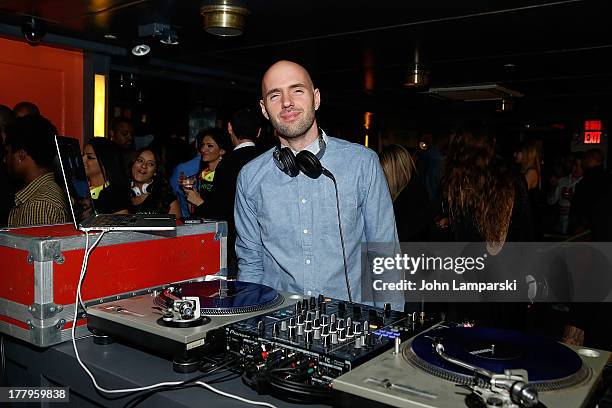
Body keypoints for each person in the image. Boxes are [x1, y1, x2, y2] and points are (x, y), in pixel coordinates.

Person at [234, 60, 400, 307]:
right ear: (264, 109)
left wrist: (390, 329)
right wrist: (250, 322)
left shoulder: (362, 164)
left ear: (316, 98)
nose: (287, 102)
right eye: (274, 95)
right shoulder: (250, 177)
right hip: (277, 325)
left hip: (351, 328)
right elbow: (250, 262)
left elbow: (384, 254)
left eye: (297, 90)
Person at [196, 108, 262, 277]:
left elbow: (219, 210)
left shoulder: (226, 164)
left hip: (234, 244)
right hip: (265, 241)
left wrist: (199, 203)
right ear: (259, 132)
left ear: (230, 128)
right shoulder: (266, 160)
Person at [3, 115, 69, 227]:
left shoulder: (38, 205)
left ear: (21, 155)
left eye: (8, 152)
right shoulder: (46, 193)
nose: (5, 159)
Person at [379, 144, 432, 241]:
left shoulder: (409, 198)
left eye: (384, 172)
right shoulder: (413, 190)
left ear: (394, 171)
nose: (382, 178)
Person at [182, 128, 230, 214]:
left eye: (210, 146)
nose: (203, 149)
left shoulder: (226, 175)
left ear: (222, 151)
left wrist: (198, 201)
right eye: (203, 145)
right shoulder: (204, 173)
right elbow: (197, 209)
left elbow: (222, 211)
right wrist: (190, 192)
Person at [128, 147, 180, 217]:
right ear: (132, 164)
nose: (144, 166)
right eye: (140, 160)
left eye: (150, 164)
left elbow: (176, 226)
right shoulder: (119, 193)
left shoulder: (166, 198)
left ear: (155, 171)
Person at [82, 138, 130, 214]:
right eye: (83, 155)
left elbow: (121, 223)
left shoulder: (115, 195)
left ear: (105, 162)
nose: (83, 160)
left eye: (90, 157)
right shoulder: (77, 187)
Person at [547, 155, 583, 235]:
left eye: (581, 166)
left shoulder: (585, 183)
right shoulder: (563, 180)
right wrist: (553, 187)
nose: (577, 168)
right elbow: (551, 201)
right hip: (560, 224)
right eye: (575, 165)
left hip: (576, 227)